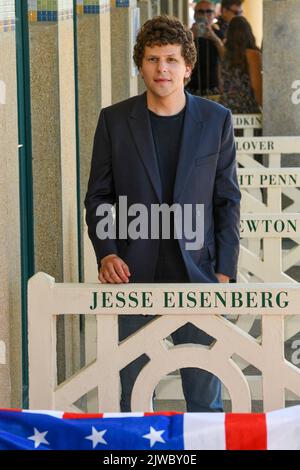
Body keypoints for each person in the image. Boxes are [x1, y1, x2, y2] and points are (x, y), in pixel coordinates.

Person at [85, 15, 241, 413]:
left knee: (204, 395)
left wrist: (224, 269)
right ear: (141, 66)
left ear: (187, 67)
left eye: (171, 60)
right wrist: (107, 253)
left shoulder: (216, 120)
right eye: (153, 60)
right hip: (133, 276)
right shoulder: (115, 120)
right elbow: (99, 197)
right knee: (133, 394)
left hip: (199, 274)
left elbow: (226, 199)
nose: (162, 69)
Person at [219, 16, 262, 113]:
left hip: (226, 110)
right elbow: (257, 87)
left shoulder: (224, 56)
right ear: (249, 33)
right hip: (247, 111)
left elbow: (221, 86)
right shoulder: (253, 55)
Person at [186, 1, 224, 96]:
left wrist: (214, 38)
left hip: (213, 88)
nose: (205, 15)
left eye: (209, 11)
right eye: (201, 12)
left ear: (214, 14)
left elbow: (226, 58)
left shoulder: (219, 33)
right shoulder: (186, 34)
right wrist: (191, 37)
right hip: (190, 88)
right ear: (195, 15)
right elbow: (177, 55)